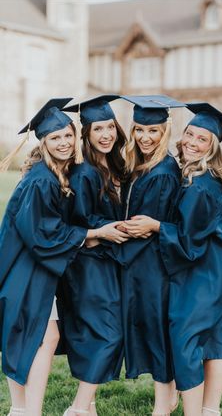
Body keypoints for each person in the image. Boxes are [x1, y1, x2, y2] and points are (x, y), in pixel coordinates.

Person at [0, 98, 110, 416]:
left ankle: (22, 410)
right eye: (54, 137)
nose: (62, 142)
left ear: (75, 136)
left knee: (37, 337)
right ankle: (25, 410)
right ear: (44, 143)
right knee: (40, 337)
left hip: (31, 268)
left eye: (66, 135)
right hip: (25, 269)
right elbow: (43, 235)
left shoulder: (53, 174)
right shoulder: (41, 181)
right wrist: (93, 234)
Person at [142, 102, 222, 416]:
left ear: (214, 147)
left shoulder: (201, 187)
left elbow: (187, 242)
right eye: (189, 134)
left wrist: (155, 226)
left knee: (184, 338)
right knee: (215, 343)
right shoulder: (211, 177)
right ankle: (210, 411)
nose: (192, 143)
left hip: (207, 275)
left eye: (202, 139)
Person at [110, 95, 185, 416]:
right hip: (141, 264)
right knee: (151, 330)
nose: (145, 137)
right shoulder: (141, 166)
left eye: (153, 131)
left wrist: (111, 234)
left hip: (153, 266)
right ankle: (168, 398)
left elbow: (147, 225)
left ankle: (162, 406)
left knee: (156, 332)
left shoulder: (164, 171)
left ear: (165, 132)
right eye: (139, 129)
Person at [60, 95, 129, 416]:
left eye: (110, 127)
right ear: (85, 133)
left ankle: (88, 405)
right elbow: (80, 221)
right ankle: (77, 408)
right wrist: (115, 227)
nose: (106, 134)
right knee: (109, 334)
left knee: (103, 333)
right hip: (88, 265)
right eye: (98, 128)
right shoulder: (85, 172)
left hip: (106, 262)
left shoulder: (112, 165)